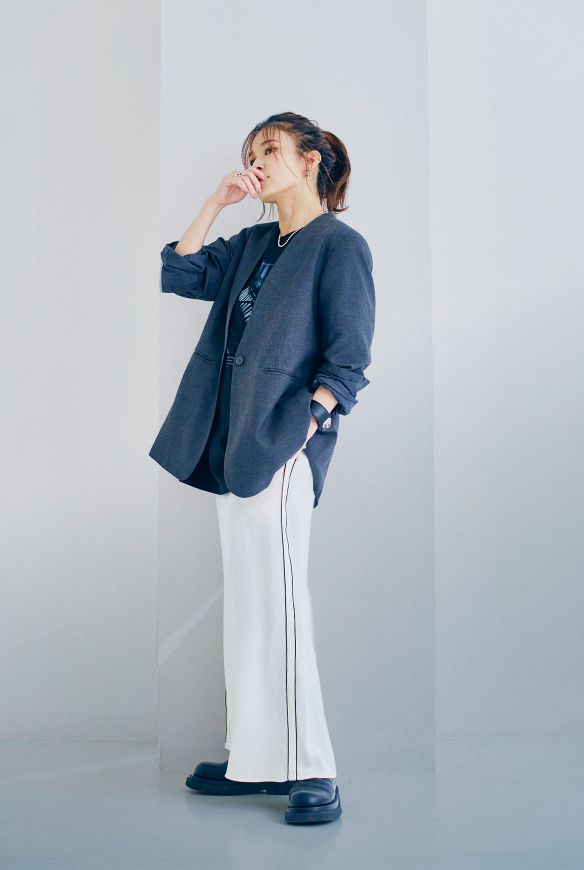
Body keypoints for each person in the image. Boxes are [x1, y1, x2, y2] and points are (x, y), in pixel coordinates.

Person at [150, 112, 376, 825]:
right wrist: (218, 201)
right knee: (248, 609)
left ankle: (313, 769)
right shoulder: (252, 243)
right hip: (229, 446)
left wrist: (298, 429)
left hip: (276, 448)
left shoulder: (338, 246)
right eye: (251, 153)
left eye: (271, 149)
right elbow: (181, 271)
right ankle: (254, 758)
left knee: (280, 604)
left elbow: (348, 362)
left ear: (311, 160)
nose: (258, 162)